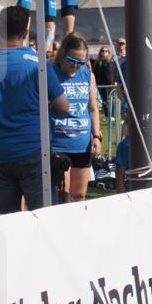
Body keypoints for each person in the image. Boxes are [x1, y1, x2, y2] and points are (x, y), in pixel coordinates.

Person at [0, 6, 68, 214]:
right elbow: (63, 106)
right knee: (46, 218)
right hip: (34, 152)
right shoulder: (38, 63)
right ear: (26, 31)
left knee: (3, 220)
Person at [50, 32, 102, 203]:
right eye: (72, 61)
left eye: (81, 62)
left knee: (79, 196)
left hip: (82, 143)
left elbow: (93, 108)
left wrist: (96, 136)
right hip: (58, 144)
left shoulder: (88, 75)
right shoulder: (51, 74)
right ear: (63, 54)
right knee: (62, 196)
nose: (76, 66)